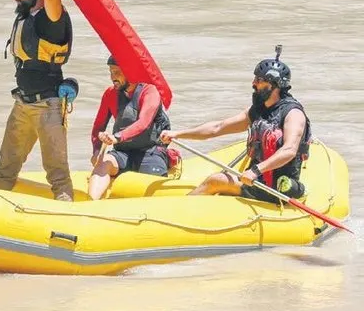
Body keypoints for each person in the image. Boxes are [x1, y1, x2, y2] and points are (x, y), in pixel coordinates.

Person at [160, 45, 312, 203]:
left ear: (274, 85)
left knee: (216, 180)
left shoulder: (293, 114)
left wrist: (255, 170)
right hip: (256, 180)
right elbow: (217, 128)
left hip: (277, 189)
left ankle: (180, 207)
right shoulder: (257, 111)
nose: (253, 83)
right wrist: (177, 134)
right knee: (219, 182)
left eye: (259, 80)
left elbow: (289, 151)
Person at [0, 0, 78, 201]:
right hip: (22, 104)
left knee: (57, 175)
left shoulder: (51, 18)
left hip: (48, 107)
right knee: (5, 169)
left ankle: (67, 219)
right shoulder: (26, 12)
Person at [88, 54, 173, 200]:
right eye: (110, 72)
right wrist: (96, 151)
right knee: (102, 164)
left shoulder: (150, 91)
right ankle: (90, 205)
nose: (112, 77)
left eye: (117, 72)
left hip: (150, 152)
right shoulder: (110, 94)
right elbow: (98, 127)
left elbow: (143, 122)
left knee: (155, 190)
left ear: (130, 72)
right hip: (123, 153)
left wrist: (117, 137)